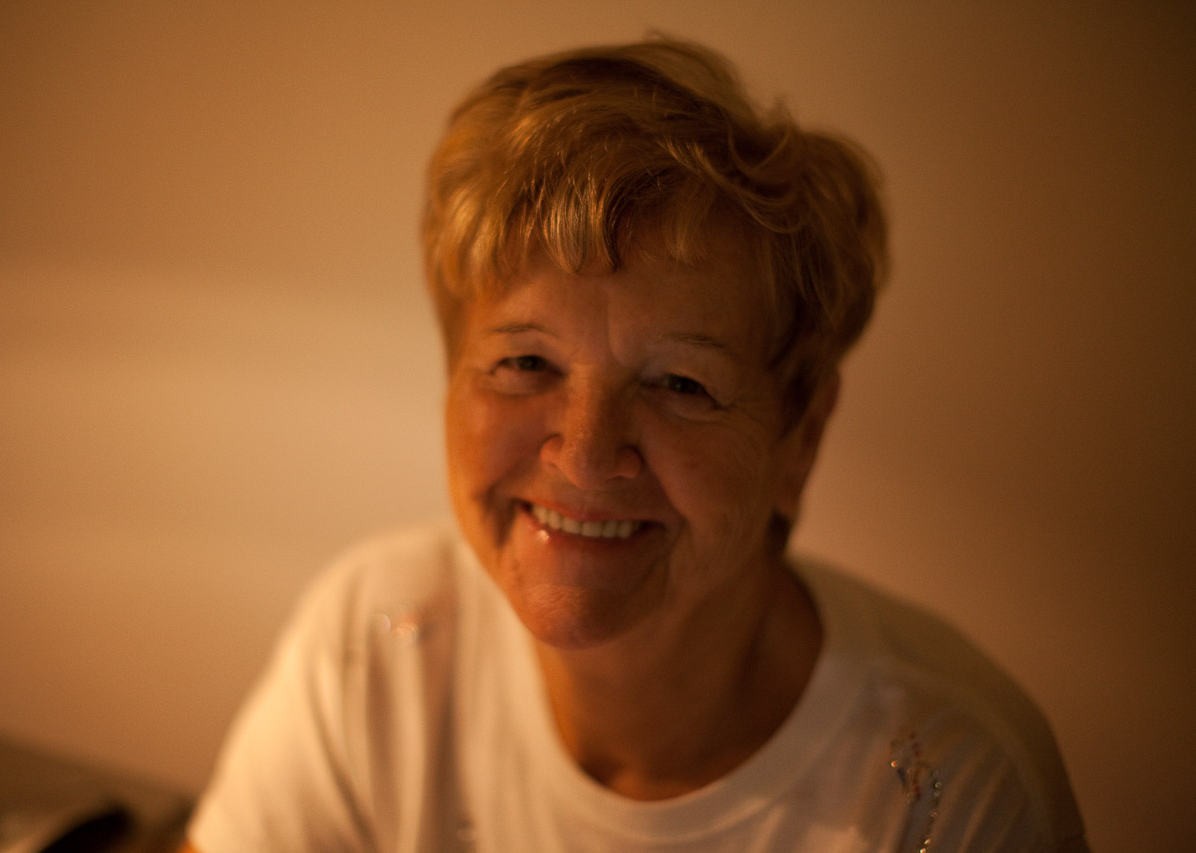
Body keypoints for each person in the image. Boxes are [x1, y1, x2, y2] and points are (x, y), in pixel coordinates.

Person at [183, 37, 1087, 852]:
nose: (584, 453)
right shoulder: (373, 642)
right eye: (525, 362)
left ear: (800, 435)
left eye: (679, 384)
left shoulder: (952, 790)